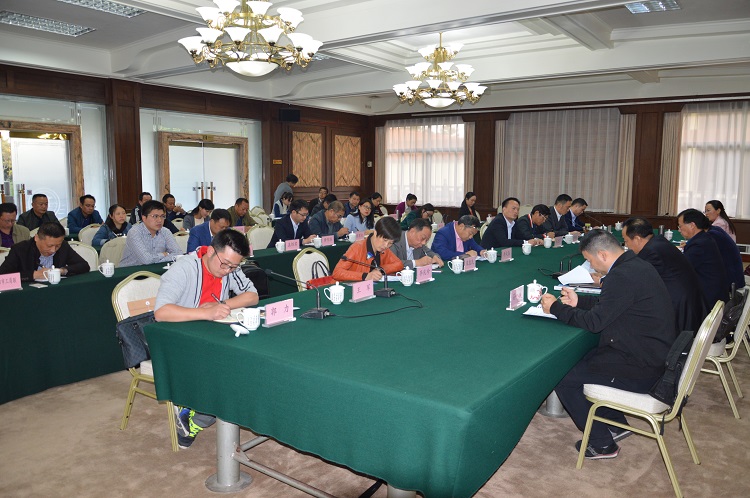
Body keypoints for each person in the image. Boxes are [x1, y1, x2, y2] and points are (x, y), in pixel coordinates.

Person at [541, 229, 676, 460]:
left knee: (563, 377)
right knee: (585, 360)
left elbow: (595, 323)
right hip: (650, 352)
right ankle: (615, 423)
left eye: (590, 261)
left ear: (602, 254)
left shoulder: (621, 275)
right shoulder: (636, 265)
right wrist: (579, 300)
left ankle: (602, 443)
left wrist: (556, 308)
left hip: (642, 366)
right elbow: (613, 303)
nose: (591, 267)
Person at [154, 229, 259, 449]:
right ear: (210, 251)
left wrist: (224, 305)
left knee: (248, 361)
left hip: (212, 336)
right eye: (225, 264)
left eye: (233, 267)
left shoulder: (229, 266)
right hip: (179, 338)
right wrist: (205, 313)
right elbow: (161, 312)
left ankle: (197, 410)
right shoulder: (183, 268)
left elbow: (252, 296)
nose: (227, 271)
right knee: (228, 372)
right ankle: (195, 416)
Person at [622, 217, 708, 334]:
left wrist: (604, 280)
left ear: (637, 239)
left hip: (679, 312)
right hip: (691, 303)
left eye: (626, 241)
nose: (626, 245)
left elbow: (635, 281)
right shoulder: (658, 242)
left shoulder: (650, 252)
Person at [0, 222, 90, 280]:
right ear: (36, 238)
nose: (53, 250)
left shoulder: (63, 246)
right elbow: (2, 276)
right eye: (49, 246)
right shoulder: (20, 249)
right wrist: (34, 275)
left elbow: (84, 265)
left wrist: (62, 271)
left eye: (57, 246)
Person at [677, 208, 729, 306]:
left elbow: (681, 269)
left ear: (692, 225)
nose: (679, 230)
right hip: (712, 292)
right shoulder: (703, 238)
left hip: (709, 298)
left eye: (680, 226)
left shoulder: (699, 245)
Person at [332, 216, 404, 281]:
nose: (386, 245)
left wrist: (380, 269)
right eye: (384, 240)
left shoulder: (384, 249)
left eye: (390, 243)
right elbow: (337, 273)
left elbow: (399, 264)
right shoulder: (357, 247)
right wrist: (365, 276)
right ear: (375, 233)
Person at [119, 200, 183, 267]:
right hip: (131, 271)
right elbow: (146, 260)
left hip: (156, 269)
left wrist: (159, 260)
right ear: (144, 218)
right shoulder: (135, 232)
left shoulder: (165, 231)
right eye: (155, 216)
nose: (160, 220)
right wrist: (164, 254)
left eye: (162, 216)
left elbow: (178, 253)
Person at [706, 221, 745, 291]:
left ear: (692, 225)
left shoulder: (713, 234)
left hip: (730, 282)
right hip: (735, 278)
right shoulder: (715, 229)